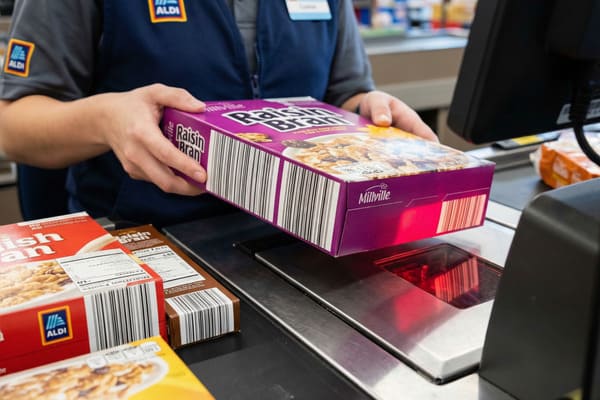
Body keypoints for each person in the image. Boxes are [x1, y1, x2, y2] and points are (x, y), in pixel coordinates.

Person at [0, 0, 437, 226]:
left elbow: (345, 91)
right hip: (148, 241)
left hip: (303, 235)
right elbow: (14, 124)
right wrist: (105, 118)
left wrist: (370, 111)